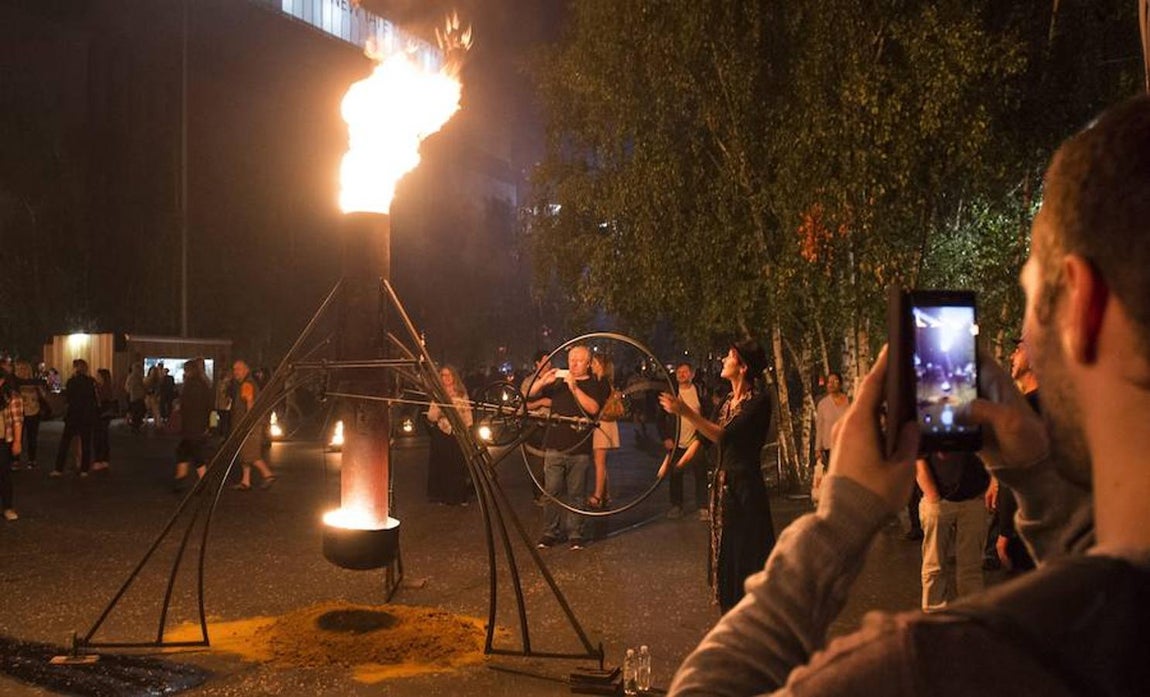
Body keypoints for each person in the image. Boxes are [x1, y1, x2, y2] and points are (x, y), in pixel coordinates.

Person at [667, 95, 1150, 696]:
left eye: (1033, 294)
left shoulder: (926, 669)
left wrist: (839, 521)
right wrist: (1047, 487)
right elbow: (1113, 599)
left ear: (1084, 306)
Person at [660, 339, 774, 613]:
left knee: (743, 552)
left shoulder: (758, 401)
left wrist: (685, 411)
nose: (724, 359)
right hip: (722, 490)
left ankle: (746, 618)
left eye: (730, 356)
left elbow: (724, 435)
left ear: (743, 367)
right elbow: (705, 437)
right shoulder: (725, 401)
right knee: (722, 551)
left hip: (744, 490)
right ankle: (729, 612)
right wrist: (676, 462)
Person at [528, 344, 608, 551]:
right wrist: (542, 382)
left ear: (588, 363)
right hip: (555, 445)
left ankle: (575, 533)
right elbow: (528, 395)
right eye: (571, 359)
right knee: (552, 490)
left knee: (576, 493)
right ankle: (549, 532)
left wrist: (574, 388)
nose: (573, 364)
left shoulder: (595, 383)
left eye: (579, 360)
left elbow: (593, 408)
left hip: (579, 448)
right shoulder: (558, 382)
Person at [914, 449, 991, 611]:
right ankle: (934, 616)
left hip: (972, 499)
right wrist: (932, 496)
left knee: (970, 567)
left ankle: (972, 614)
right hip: (940, 500)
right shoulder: (931, 424)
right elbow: (918, 456)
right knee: (934, 565)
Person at [662, 361, 711, 520]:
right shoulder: (671, 393)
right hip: (677, 441)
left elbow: (707, 414)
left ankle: (703, 506)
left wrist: (704, 436)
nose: (682, 375)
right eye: (679, 372)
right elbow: (660, 418)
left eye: (685, 372)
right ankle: (677, 505)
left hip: (695, 441)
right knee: (676, 473)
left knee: (700, 473)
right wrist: (666, 437)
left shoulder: (700, 392)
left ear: (692, 374)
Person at [425, 365, 474, 505]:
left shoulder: (461, 393)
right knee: (443, 465)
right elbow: (431, 416)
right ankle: (443, 496)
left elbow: (467, 413)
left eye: (448, 375)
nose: (446, 378)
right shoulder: (438, 394)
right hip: (442, 432)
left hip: (458, 433)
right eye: (443, 375)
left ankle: (459, 496)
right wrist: (440, 411)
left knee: (458, 464)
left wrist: (468, 429)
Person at [230, 360, 275, 490]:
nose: (235, 372)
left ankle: (268, 475)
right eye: (234, 370)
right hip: (248, 424)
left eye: (238, 369)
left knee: (251, 455)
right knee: (245, 453)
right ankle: (246, 481)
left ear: (246, 370)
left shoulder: (247, 385)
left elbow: (250, 403)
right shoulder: (246, 383)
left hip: (249, 426)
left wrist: (248, 423)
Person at [51, 359, 98, 477]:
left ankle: (58, 468)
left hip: (73, 415)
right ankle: (84, 469)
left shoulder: (71, 381)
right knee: (86, 442)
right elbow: (93, 399)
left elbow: (68, 398)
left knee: (65, 442)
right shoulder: (90, 381)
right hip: (86, 415)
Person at [589, 353, 620, 509]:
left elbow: (596, 406)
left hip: (602, 424)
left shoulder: (601, 383)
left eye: (594, 363)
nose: (591, 365)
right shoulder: (606, 382)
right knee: (601, 462)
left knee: (599, 462)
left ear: (600, 365)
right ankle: (605, 494)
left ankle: (597, 496)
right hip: (606, 424)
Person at [812, 372, 849, 502]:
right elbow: (820, 427)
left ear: (840, 383)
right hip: (830, 445)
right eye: (829, 382)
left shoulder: (848, 401)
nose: (831, 384)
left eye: (835, 381)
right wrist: (818, 448)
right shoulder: (822, 404)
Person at [0, 368, 24, 521]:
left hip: (3, 439)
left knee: (3, 474)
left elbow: (17, 421)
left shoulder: (12, 397)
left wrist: (17, 441)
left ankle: (7, 507)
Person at [14, 361, 47, 469]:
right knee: (19, 436)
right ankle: (16, 459)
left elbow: (43, 395)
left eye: (24, 369)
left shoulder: (34, 382)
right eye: (20, 369)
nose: (22, 371)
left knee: (31, 437)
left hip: (33, 412)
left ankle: (31, 459)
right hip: (20, 412)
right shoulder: (16, 383)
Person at [91, 368, 116, 472]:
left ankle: (99, 460)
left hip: (100, 415)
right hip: (106, 415)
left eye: (98, 376)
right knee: (104, 437)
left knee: (98, 437)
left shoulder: (100, 389)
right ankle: (105, 460)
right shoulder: (108, 389)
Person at [124, 362, 146, 433]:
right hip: (136, 398)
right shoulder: (136, 377)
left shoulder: (131, 377)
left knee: (136, 412)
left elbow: (126, 388)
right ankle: (135, 427)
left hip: (134, 397)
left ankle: (135, 426)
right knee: (137, 413)